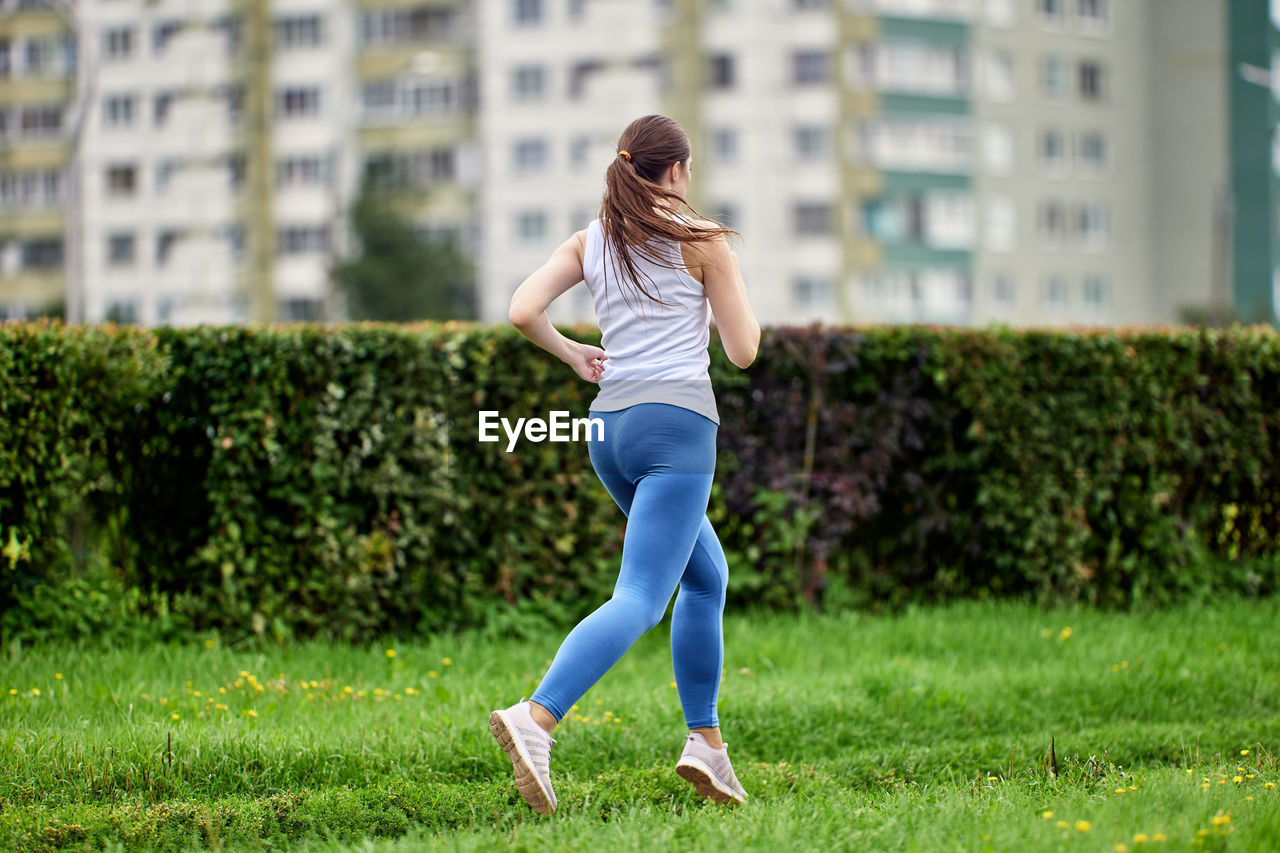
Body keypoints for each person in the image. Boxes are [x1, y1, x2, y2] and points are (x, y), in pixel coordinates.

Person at [488, 114, 760, 816]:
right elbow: (743, 351)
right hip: (677, 427)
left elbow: (523, 309)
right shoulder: (703, 242)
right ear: (675, 173)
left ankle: (707, 741)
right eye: (689, 168)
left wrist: (575, 352)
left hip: (610, 428)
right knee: (640, 595)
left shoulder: (591, 239)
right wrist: (727, 275)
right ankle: (536, 717)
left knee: (706, 575)